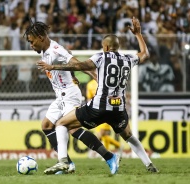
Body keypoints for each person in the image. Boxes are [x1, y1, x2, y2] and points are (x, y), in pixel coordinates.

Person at [37, 17, 159, 174]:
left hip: (98, 107)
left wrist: (53, 66)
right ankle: (149, 164)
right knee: (128, 135)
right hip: (118, 108)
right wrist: (138, 34)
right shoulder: (128, 59)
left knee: (62, 124)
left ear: (106, 47)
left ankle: (63, 162)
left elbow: (79, 65)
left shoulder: (101, 57)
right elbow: (145, 54)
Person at [24, 20, 119, 175]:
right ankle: (68, 163)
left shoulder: (56, 50)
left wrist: (96, 77)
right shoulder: (44, 50)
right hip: (60, 96)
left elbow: (78, 64)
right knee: (47, 125)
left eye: (32, 42)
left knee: (71, 128)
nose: (31, 45)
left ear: (41, 38)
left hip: (70, 95)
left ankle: (109, 157)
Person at [86, 79, 121, 150]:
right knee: (103, 135)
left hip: (106, 110)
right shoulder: (90, 84)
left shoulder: (106, 81)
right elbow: (89, 99)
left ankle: (101, 152)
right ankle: (118, 146)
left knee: (101, 133)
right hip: (96, 112)